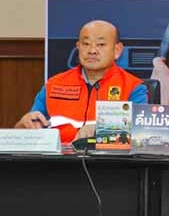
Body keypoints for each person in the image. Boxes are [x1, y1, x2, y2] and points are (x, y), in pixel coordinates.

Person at [16, 20, 148, 144]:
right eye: (86, 44)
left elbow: (140, 136)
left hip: (109, 159)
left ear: (117, 50)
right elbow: (29, 131)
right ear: (78, 47)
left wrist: (101, 130)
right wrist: (23, 125)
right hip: (58, 158)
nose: (92, 51)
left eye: (101, 45)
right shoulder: (54, 84)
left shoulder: (133, 87)